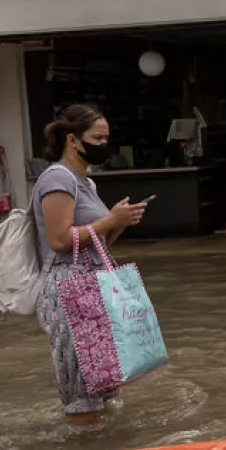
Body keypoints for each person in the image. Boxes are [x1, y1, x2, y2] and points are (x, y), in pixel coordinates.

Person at [33, 104, 146, 425]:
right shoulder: (57, 178)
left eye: (107, 138)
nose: (104, 145)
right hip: (69, 291)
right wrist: (109, 218)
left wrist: (119, 223)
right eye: (98, 137)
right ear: (73, 140)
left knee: (106, 382)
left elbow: (95, 246)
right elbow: (59, 241)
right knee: (84, 391)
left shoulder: (88, 183)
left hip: (94, 286)